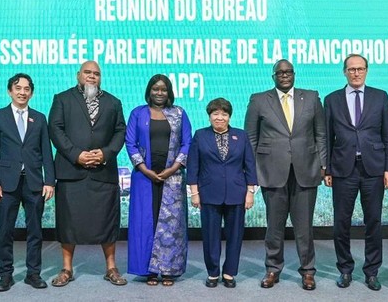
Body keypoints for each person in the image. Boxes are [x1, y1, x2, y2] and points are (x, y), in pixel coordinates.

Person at [244, 59, 327, 291]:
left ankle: (308, 271)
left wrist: (323, 165)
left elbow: (321, 134)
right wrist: (252, 171)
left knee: (305, 228)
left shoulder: (311, 97)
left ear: (294, 74)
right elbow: (251, 137)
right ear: (273, 76)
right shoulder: (259, 100)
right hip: (272, 171)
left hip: (306, 170)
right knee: (274, 226)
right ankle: (272, 269)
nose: (284, 75)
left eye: (288, 72)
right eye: (280, 72)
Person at [48, 60, 127, 287]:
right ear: (78, 75)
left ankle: (111, 268)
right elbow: (55, 129)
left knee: (108, 222)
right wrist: (76, 154)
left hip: (103, 172)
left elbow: (120, 132)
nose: (92, 76)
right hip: (71, 171)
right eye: (87, 72)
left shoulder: (113, 102)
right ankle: (66, 268)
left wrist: (104, 153)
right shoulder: (62, 99)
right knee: (68, 222)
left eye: (96, 74)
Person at [323, 54, 388, 291]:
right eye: (351, 69)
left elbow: (387, 135)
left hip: (373, 169)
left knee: (373, 221)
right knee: (340, 223)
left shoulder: (380, 96)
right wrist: (328, 169)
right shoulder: (332, 99)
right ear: (344, 72)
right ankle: (345, 269)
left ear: (366, 71)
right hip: (343, 169)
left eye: (360, 69)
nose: (356, 73)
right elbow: (327, 137)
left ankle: (372, 272)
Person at [0, 73, 55, 292]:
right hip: (6, 184)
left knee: (35, 231)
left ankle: (33, 274)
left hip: (34, 183)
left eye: (26, 89)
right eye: (18, 88)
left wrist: (50, 182)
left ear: (31, 93)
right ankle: (5, 274)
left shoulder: (40, 118)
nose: (22, 92)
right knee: (6, 231)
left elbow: (46, 152)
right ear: (10, 91)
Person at [125, 74, 192, 286]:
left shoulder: (179, 113)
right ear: (149, 91)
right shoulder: (138, 113)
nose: (159, 93)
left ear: (169, 92)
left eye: (164, 89)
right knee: (146, 222)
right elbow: (130, 143)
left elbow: (187, 143)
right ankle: (149, 271)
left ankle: (169, 270)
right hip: (145, 178)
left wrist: (173, 169)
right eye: (155, 89)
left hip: (172, 179)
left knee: (171, 224)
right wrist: (145, 169)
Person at [187, 98, 257, 289]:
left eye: (224, 114)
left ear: (229, 116)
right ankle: (212, 272)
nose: (219, 118)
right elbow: (193, 165)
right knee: (210, 235)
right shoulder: (200, 136)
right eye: (215, 114)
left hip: (237, 193)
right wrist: (194, 193)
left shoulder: (241, 136)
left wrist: (250, 192)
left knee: (235, 235)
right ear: (209, 116)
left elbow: (249, 165)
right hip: (209, 192)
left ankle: (229, 273)